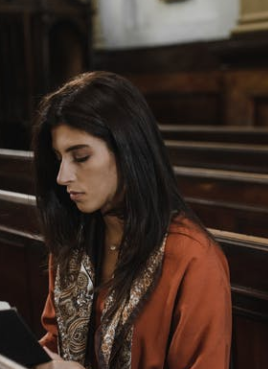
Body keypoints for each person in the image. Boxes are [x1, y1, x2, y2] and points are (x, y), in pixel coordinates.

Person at [31, 71, 231, 369]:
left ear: (128, 151)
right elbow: (55, 342)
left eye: (81, 157)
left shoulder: (192, 259)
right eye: (59, 159)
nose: (63, 177)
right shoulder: (76, 238)